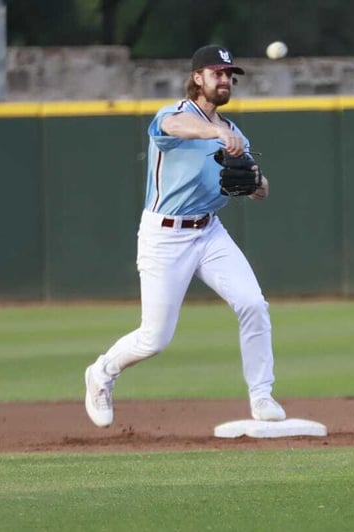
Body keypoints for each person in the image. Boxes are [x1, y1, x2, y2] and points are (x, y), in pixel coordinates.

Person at [84, 44, 285, 428]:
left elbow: (262, 189)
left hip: (209, 232)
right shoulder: (176, 116)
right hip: (165, 236)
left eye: (229, 75)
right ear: (197, 78)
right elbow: (171, 128)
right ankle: (102, 372)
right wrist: (216, 133)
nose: (225, 80)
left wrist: (255, 181)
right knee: (154, 338)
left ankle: (262, 397)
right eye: (217, 73)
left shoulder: (231, 130)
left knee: (253, 305)